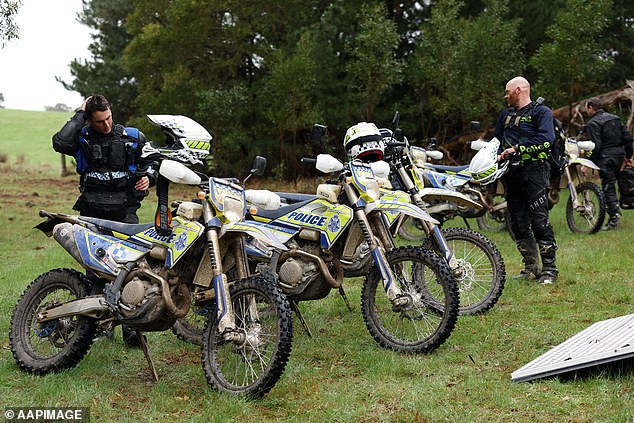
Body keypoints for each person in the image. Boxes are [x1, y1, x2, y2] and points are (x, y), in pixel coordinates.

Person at [52, 94, 157, 345]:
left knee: (131, 268)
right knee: (96, 269)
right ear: (90, 119)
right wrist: (79, 114)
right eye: (100, 121)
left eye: (108, 118)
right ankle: (100, 324)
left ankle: (132, 327)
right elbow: (59, 142)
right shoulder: (82, 137)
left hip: (125, 211)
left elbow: (154, 160)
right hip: (92, 211)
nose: (107, 125)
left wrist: (150, 177)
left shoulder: (132, 137)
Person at [495, 76, 559, 285]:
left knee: (539, 221)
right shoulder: (505, 115)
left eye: (508, 91)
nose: (505, 96)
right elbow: (497, 141)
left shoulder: (541, 112)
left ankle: (550, 269)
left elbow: (546, 140)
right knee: (517, 223)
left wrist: (517, 149)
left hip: (535, 172)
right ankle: (530, 268)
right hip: (510, 174)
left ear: (519, 90)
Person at [584, 98, 634, 230]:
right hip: (619, 156)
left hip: (606, 158)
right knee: (623, 182)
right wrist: (628, 156)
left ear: (590, 108)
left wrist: (588, 163)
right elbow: (628, 138)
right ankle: (623, 206)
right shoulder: (615, 118)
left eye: (586, 109)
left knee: (608, 187)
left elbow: (596, 146)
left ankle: (614, 219)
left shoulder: (592, 123)